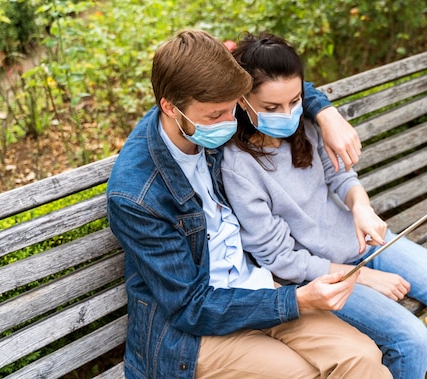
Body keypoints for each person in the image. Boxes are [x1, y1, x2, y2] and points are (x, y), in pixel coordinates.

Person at [221, 32, 427, 379]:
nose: (287, 115)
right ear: (243, 101)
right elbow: (281, 261)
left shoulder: (306, 125)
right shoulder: (237, 166)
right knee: (412, 340)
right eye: (272, 108)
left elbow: (342, 179)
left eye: (295, 102)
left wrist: (361, 207)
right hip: (317, 277)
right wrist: (364, 277)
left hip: (365, 243)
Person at [106, 29, 393, 379]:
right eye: (216, 116)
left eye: (233, 110)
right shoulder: (137, 194)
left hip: (254, 287)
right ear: (169, 106)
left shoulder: (204, 110)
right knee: (305, 373)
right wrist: (298, 301)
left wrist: (325, 113)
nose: (230, 125)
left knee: (361, 357)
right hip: (194, 331)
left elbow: (284, 81)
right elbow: (188, 307)